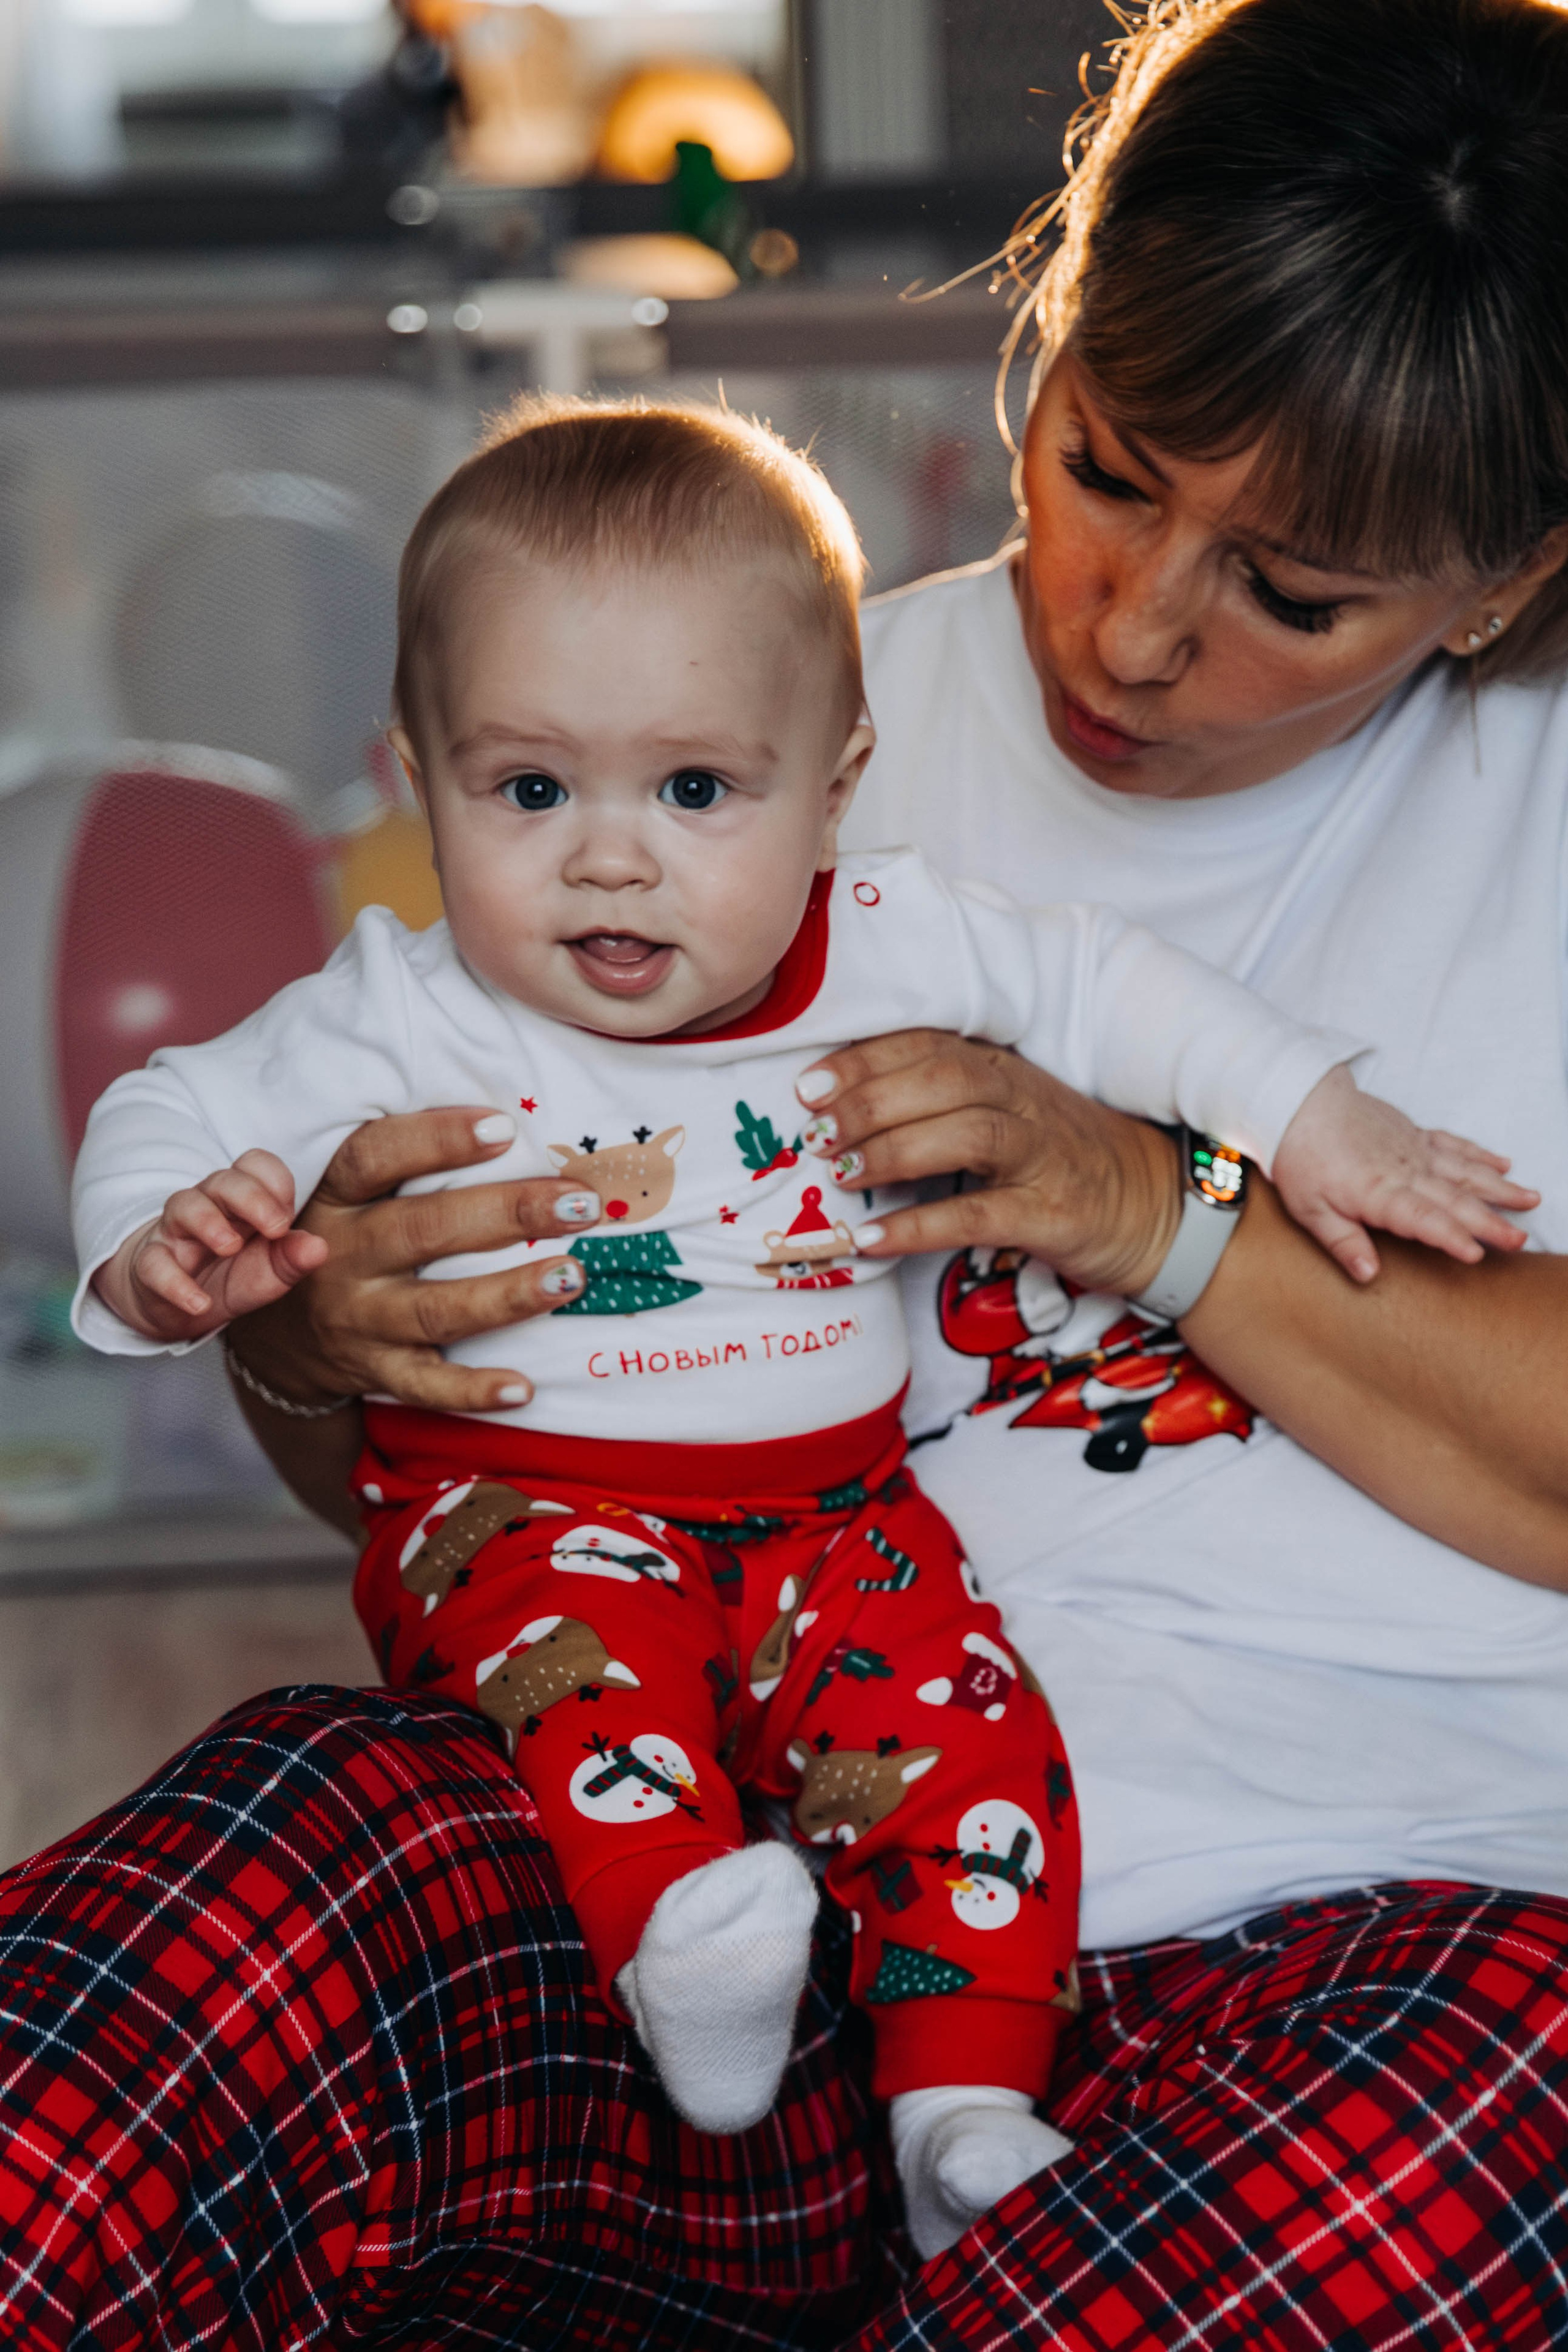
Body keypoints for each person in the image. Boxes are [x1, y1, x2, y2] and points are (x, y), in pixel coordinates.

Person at [6, 0, 1568, 2343]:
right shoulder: (704, 717)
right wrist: (317, 1337)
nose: (1133, 625)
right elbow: (441, 1479)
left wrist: (1149, 1201)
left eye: (1298, 593)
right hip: (693, 1872)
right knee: (221, 1916)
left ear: (1507, 578)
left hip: (1382, 1928)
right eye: (1110, 465)